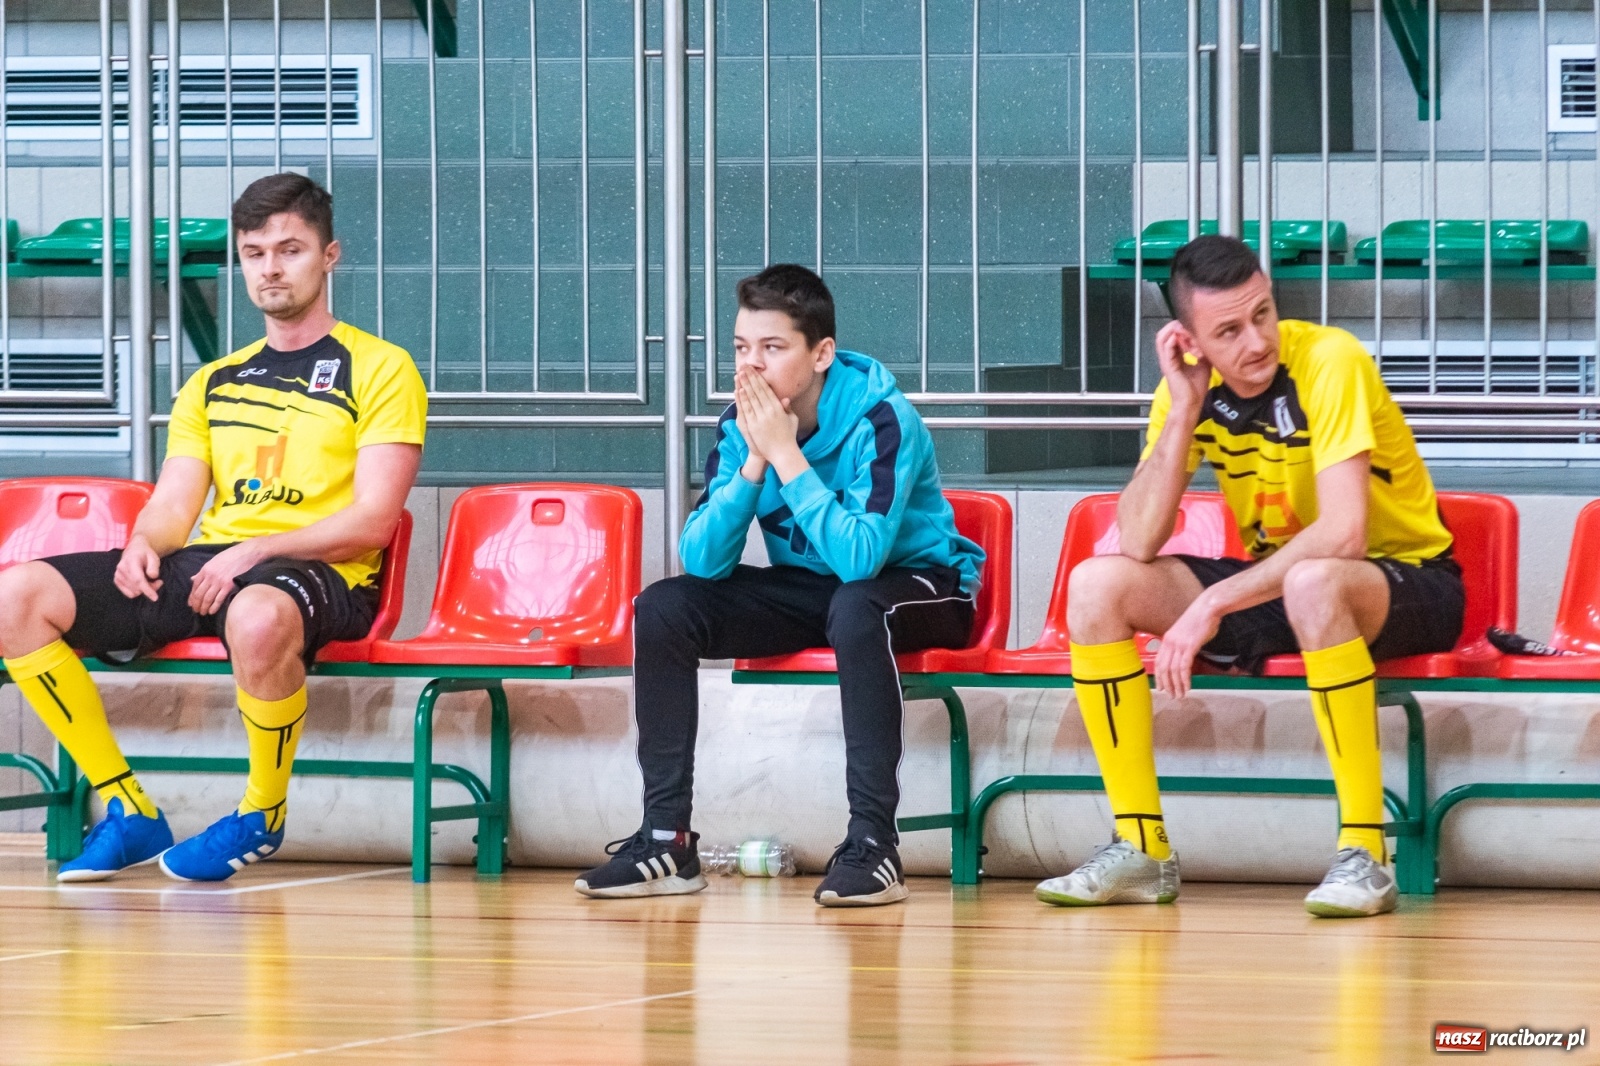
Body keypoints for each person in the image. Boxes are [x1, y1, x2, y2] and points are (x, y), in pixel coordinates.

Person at [0, 173, 427, 882]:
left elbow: (373, 522)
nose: (270, 268)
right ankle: (128, 808)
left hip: (324, 572)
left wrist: (255, 550)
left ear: (329, 256)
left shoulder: (381, 368)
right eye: (254, 253)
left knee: (258, 614)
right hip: (216, 564)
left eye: (290, 249)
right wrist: (144, 542)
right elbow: (175, 504)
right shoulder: (213, 382)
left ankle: (261, 813)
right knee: (17, 597)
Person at [1033, 235, 1461, 918]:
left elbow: (1344, 534)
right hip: (1284, 582)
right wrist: (1182, 411)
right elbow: (1138, 538)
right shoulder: (1186, 391)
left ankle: (1365, 853)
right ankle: (1141, 845)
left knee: (1315, 580)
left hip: (1410, 581)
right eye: (1229, 331)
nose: (1257, 341)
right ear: (1190, 341)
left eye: (1262, 314)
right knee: (1097, 585)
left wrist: (1212, 605)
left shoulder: (1331, 360)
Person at [576, 264, 985, 907]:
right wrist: (755, 460)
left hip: (921, 588)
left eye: (772, 347)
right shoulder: (740, 424)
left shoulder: (883, 418)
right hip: (816, 591)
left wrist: (788, 455)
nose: (751, 366)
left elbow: (861, 560)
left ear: (820, 354)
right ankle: (666, 840)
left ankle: (874, 845)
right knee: (664, 607)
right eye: (742, 347)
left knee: (858, 606)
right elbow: (702, 561)